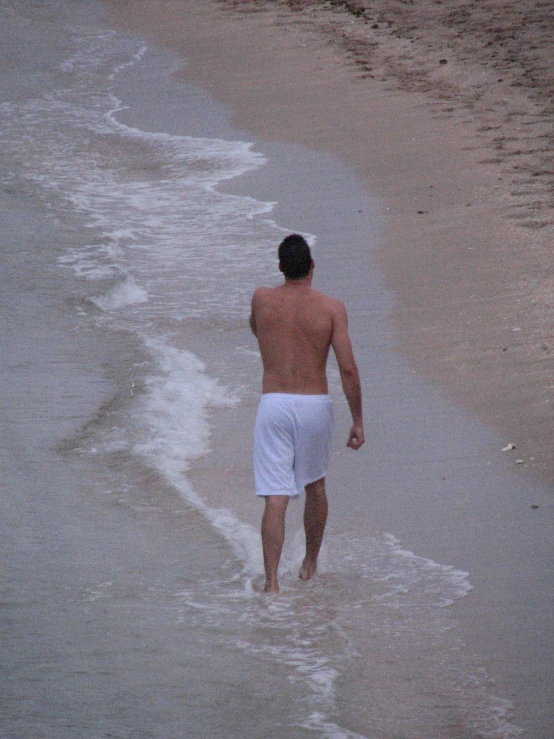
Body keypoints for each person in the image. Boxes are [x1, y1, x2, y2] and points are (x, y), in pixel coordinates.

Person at [250, 233, 364, 593]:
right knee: (315, 487)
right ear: (312, 267)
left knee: (275, 497)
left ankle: (271, 585)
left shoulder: (261, 299)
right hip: (314, 404)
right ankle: (309, 564)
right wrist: (357, 420)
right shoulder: (331, 309)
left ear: (281, 268)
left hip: (274, 404)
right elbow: (348, 369)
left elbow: (257, 329)